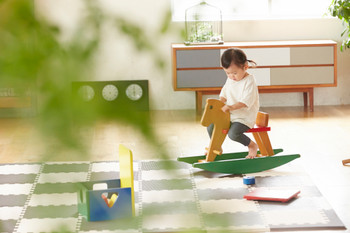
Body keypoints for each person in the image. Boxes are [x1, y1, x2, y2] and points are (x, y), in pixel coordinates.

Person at [207, 48, 260, 159]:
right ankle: (217, 147)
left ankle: (252, 145)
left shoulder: (249, 81)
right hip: (230, 115)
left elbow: (246, 101)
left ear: (245, 67)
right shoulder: (231, 79)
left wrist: (230, 107)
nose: (231, 76)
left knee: (233, 134)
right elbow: (224, 93)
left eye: (234, 73)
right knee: (211, 126)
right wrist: (220, 102)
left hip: (244, 118)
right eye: (227, 73)